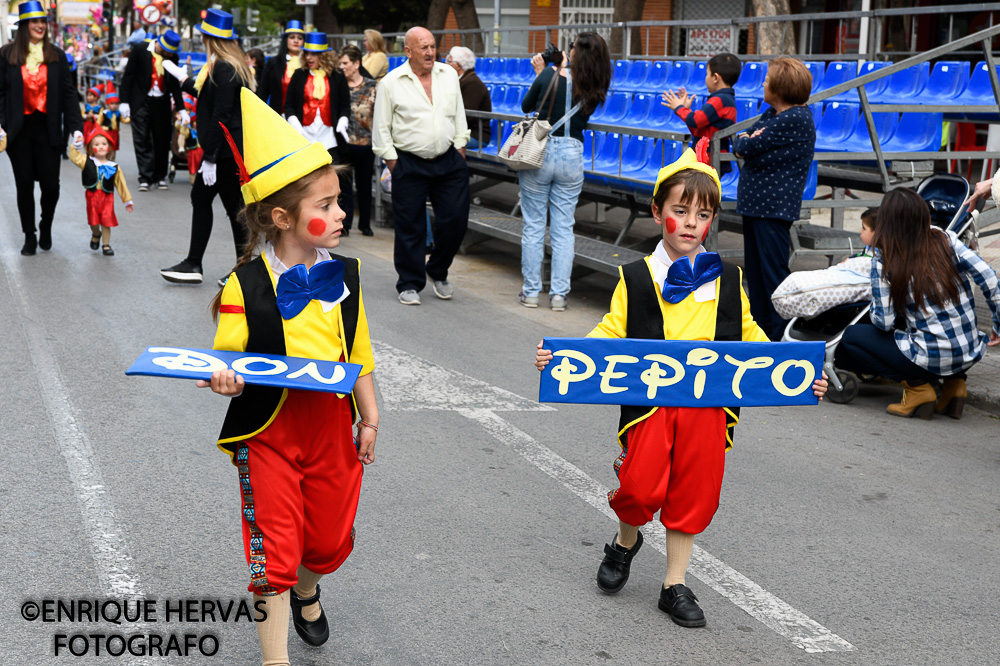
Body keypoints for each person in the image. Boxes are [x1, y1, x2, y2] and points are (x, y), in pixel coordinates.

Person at [534, 150, 828, 628]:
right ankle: (627, 540)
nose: (691, 223)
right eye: (680, 211)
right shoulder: (635, 277)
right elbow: (611, 331)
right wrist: (564, 358)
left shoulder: (730, 279)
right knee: (637, 487)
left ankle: (674, 583)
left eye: (703, 215)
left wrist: (796, 372)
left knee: (695, 491)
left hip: (708, 408)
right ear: (658, 212)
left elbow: (753, 337)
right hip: (648, 406)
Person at [200, 88, 378, 666]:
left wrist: (370, 412)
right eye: (327, 203)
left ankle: (309, 588)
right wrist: (224, 378)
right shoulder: (243, 285)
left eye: (339, 199)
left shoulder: (345, 273)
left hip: (330, 424)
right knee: (271, 553)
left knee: (325, 541)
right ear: (282, 218)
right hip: (268, 428)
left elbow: (358, 349)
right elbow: (226, 359)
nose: (343, 212)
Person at [835, 188, 1000, 419]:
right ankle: (955, 387)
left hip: (931, 356)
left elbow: (884, 322)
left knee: (852, 337)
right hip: (971, 351)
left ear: (886, 223)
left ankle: (917, 388)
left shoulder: (884, 259)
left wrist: (875, 305)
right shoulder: (947, 239)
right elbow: (991, 279)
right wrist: (998, 324)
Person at [371, 26, 471, 306]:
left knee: (455, 221)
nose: (430, 52)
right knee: (410, 226)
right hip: (408, 163)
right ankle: (410, 283)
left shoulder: (449, 74)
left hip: (449, 160)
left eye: (432, 46)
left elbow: (458, 113)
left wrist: (461, 146)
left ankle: (438, 270)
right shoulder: (391, 82)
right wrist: (393, 163)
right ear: (408, 51)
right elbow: (381, 130)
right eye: (423, 48)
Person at [159, 9, 255, 285]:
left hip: (224, 150)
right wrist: (182, 79)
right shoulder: (225, 64)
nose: (202, 39)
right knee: (219, 203)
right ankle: (207, 264)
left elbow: (221, 114)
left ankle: (233, 268)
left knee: (228, 206)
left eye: (204, 35)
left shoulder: (224, 66)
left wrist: (210, 157)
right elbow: (207, 94)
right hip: (225, 149)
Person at [518, 32, 611, 311]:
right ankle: (559, 295)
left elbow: (526, 105)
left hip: (542, 150)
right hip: (572, 154)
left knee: (534, 226)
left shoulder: (548, 76)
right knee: (563, 229)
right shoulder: (595, 85)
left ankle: (532, 292)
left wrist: (541, 72)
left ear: (574, 52)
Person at [733, 56, 816, 340]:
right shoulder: (774, 114)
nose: (763, 84)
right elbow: (742, 140)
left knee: (772, 277)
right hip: (757, 206)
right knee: (755, 277)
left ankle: (782, 336)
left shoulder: (795, 118)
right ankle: (759, 333)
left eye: (767, 81)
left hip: (773, 209)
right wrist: (747, 140)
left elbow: (746, 145)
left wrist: (748, 141)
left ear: (780, 88)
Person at [0, 1, 84, 255]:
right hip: (19, 132)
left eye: (43, 22)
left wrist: (76, 128)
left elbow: (69, 95)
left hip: (48, 131)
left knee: (51, 186)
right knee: (24, 184)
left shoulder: (57, 56)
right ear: (24, 25)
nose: (39, 26)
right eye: (34, 22)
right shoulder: (6, 55)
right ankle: (29, 235)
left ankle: (45, 224)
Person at [119, 29, 184, 192]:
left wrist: (181, 108)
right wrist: (124, 102)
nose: (171, 55)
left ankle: (160, 176)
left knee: (162, 140)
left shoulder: (172, 57)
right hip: (141, 101)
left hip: (161, 102)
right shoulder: (140, 50)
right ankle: (145, 177)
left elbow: (175, 85)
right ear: (161, 46)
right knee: (142, 139)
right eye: (168, 52)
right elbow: (129, 76)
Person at [662, 52, 740, 166]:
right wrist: (686, 110)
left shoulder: (720, 100)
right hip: (706, 157)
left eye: (707, 74)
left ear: (715, 78)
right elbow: (698, 128)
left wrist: (679, 108)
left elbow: (696, 120)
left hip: (710, 159)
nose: (706, 78)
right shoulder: (724, 99)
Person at [68, 126, 134, 256]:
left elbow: (121, 184)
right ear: (91, 148)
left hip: (107, 197)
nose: (101, 146)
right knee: (93, 222)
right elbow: (74, 157)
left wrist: (127, 201)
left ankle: (106, 244)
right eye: (97, 144)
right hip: (92, 196)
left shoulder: (114, 167)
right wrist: (76, 145)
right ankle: (96, 233)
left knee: (106, 220)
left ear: (109, 147)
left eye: (104, 144)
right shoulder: (86, 161)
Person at [338, 44, 377, 237]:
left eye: (345, 63)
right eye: (340, 63)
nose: (342, 66)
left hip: (365, 143)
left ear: (356, 63)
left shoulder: (372, 86)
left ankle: (365, 224)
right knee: (344, 186)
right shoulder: (338, 85)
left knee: (364, 185)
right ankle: (345, 224)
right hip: (344, 144)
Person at [446, 45, 490, 150]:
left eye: (449, 61)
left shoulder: (473, 84)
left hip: (476, 136)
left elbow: (465, 117)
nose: (445, 63)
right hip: (463, 132)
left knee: (439, 142)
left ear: (458, 65)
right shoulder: (461, 80)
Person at [257, 20, 305, 114]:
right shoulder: (273, 63)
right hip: (278, 116)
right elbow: (263, 92)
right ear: (285, 40)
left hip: (304, 119)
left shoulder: (309, 63)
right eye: (292, 37)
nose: (296, 41)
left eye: (300, 38)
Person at [97, 83, 128, 150]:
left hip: (115, 133)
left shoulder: (118, 113)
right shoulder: (104, 113)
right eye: (112, 103)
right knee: (106, 147)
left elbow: (124, 120)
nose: (114, 105)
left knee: (113, 148)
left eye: (116, 104)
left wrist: (129, 117)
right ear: (108, 104)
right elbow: (98, 123)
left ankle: (112, 159)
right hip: (106, 132)